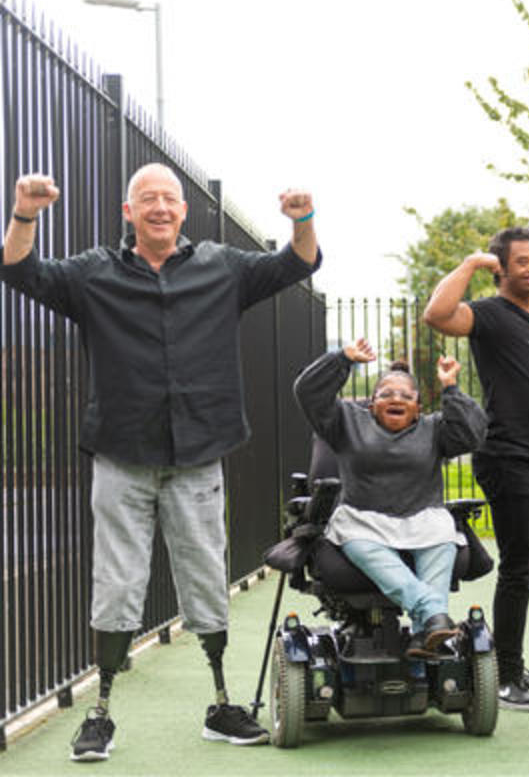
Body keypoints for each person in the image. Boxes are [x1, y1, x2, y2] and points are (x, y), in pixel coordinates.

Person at [0, 166, 320, 761]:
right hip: (122, 454)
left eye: (169, 199)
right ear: (129, 212)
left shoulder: (222, 267)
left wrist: (302, 219)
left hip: (200, 452)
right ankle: (101, 715)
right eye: (147, 199)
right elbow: (19, 270)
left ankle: (223, 704)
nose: (160, 207)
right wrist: (24, 214)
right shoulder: (94, 273)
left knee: (204, 575)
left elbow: (297, 264)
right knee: (116, 581)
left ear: (182, 211)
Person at [422, 227, 529, 711]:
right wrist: (469, 266)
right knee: (518, 566)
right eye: (524, 262)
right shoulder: (489, 314)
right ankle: (505, 676)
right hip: (505, 452)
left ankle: (513, 665)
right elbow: (437, 314)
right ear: (502, 269)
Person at [293, 339, 487, 655]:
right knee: (366, 548)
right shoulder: (345, 421)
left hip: (424, 518)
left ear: (418, 407)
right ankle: (432, 616)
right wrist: (342, 359)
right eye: (386, 394)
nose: (396, 399)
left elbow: (473, 434)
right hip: (362, 521)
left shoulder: (434, 428)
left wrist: (450, 388)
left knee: (443, 539)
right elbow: (307, 392)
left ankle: (426, 636)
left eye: (406, 396)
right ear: (371, 403)